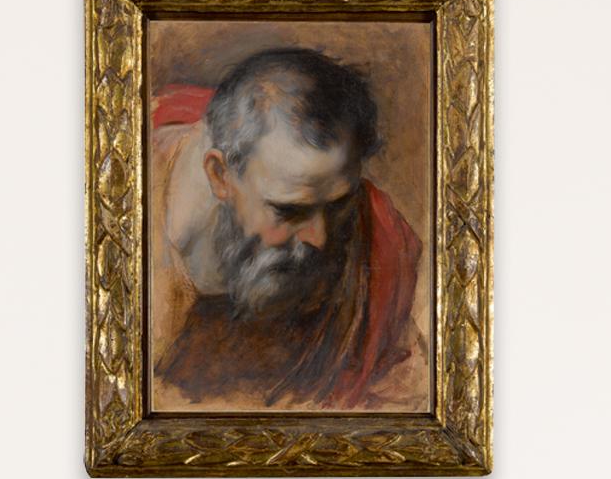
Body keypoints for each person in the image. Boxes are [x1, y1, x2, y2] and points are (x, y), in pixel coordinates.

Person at [150, 46, 425, 410]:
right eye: (289, 210)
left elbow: (405, 392)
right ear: (219, 176)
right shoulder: (135, 242)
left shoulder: (382, 240)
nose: (320, 238)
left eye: (339, 204)